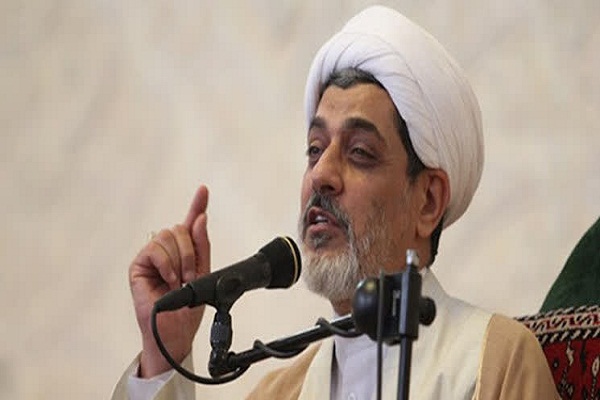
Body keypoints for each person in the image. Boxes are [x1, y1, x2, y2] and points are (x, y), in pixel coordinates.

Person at [112, 6, 559, 400]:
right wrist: (164, 356)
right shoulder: (280, 392)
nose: (320, 175)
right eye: (314, 149)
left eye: (360, 152)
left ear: (427, 201)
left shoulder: (493, 364)